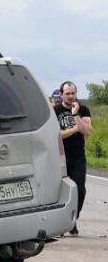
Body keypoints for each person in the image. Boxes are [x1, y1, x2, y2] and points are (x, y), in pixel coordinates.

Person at [53, 81, 92, 236]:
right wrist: (77, 128)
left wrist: (76, 115)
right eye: (67, 93)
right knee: (58, 191)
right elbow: (56, 135)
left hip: (77, 158)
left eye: (73, 93)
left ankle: (72, 220)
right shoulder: (55, 111)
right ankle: (60, 224)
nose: (71, 96)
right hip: (59, 158)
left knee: (80, 191)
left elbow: (87, 131)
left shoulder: (83, 109)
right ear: (61, 94)